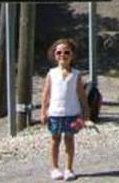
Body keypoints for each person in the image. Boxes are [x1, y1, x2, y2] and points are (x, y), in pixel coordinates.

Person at [40, 38, 90, 181]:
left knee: (69, 140)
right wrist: (43, 111)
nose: (63, 55)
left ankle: (69, 169)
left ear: (72, 55)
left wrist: (86, 113)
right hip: (55, 113)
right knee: (55, 140)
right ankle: (55, 168)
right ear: (54, 55)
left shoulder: (76, 74)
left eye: (66, 52)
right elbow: (46, 94)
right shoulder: (51, 73)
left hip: (71, 113)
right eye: (59, 52)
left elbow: (81, 95)